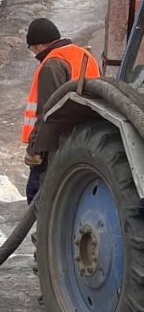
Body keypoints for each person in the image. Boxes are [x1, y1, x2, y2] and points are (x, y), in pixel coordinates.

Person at [23, 18, 100, 203]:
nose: (34, 53)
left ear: (40, 45)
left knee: (36, 191)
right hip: (83, 137)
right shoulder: (82, 55)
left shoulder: (52, 64)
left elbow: (48, 112)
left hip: (55, 143)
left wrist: (35, 150)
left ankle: (42, 231)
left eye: (32, 48)